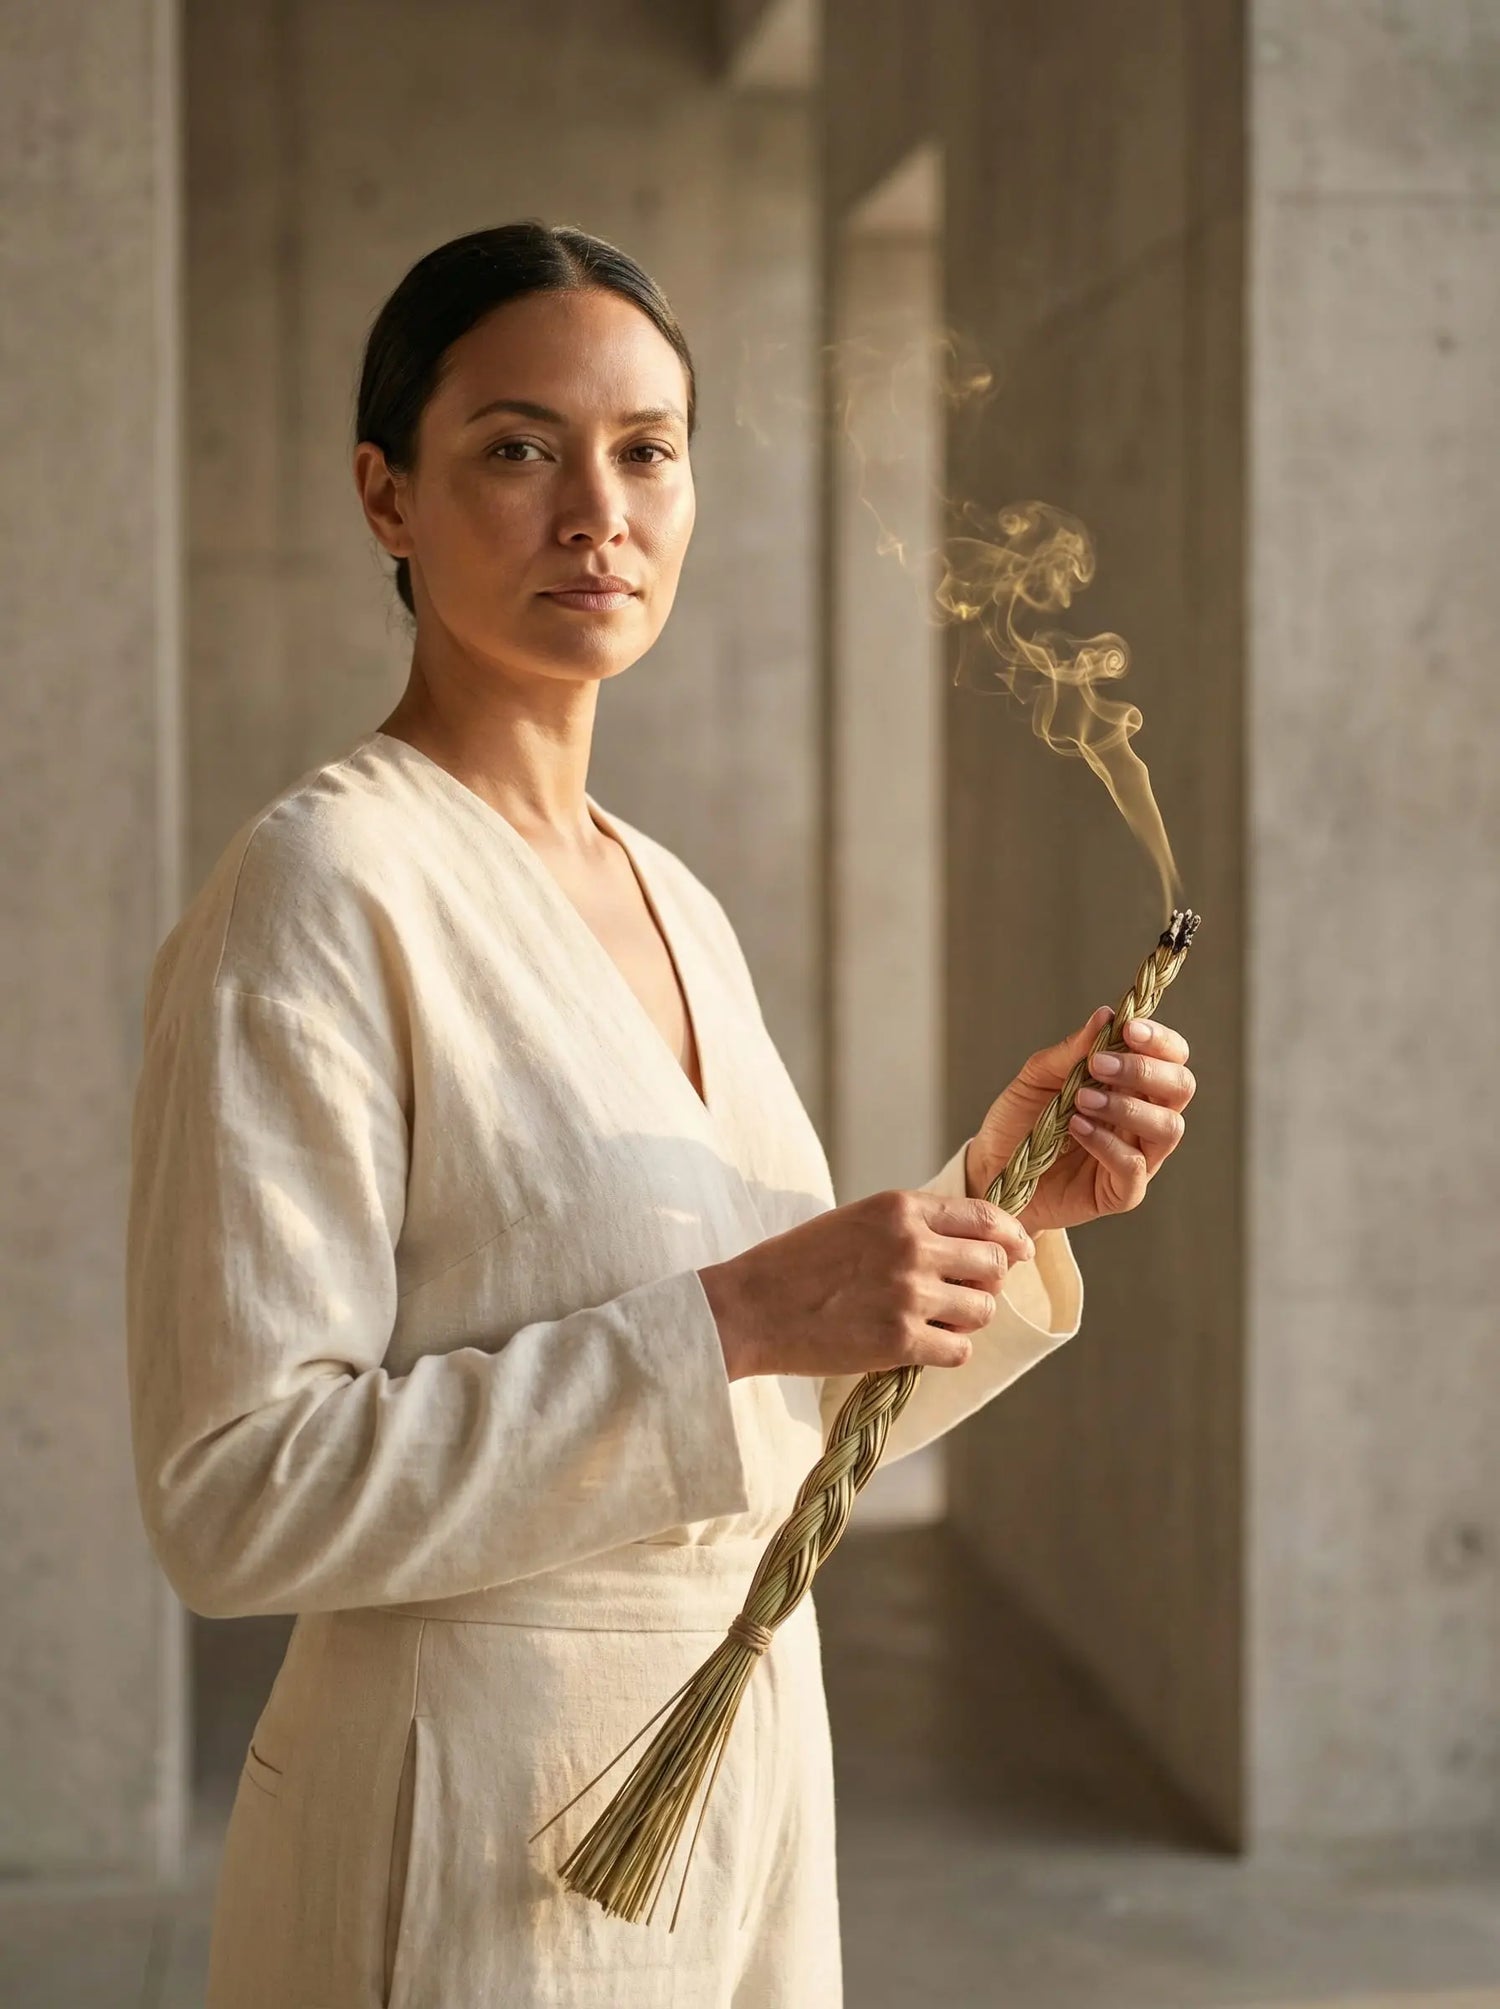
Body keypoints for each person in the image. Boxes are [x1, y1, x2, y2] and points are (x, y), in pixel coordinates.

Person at [125, 221, 1195, 2008]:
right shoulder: (323, 888)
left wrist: (1008, 1203)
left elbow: (754, 1430)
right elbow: (233, 1495)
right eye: (519, 447)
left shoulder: (672, 897)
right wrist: (742, 1317)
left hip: (741, 1802)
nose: (595, 511)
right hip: (461, 1830)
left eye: (647, 450)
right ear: (387, 494)